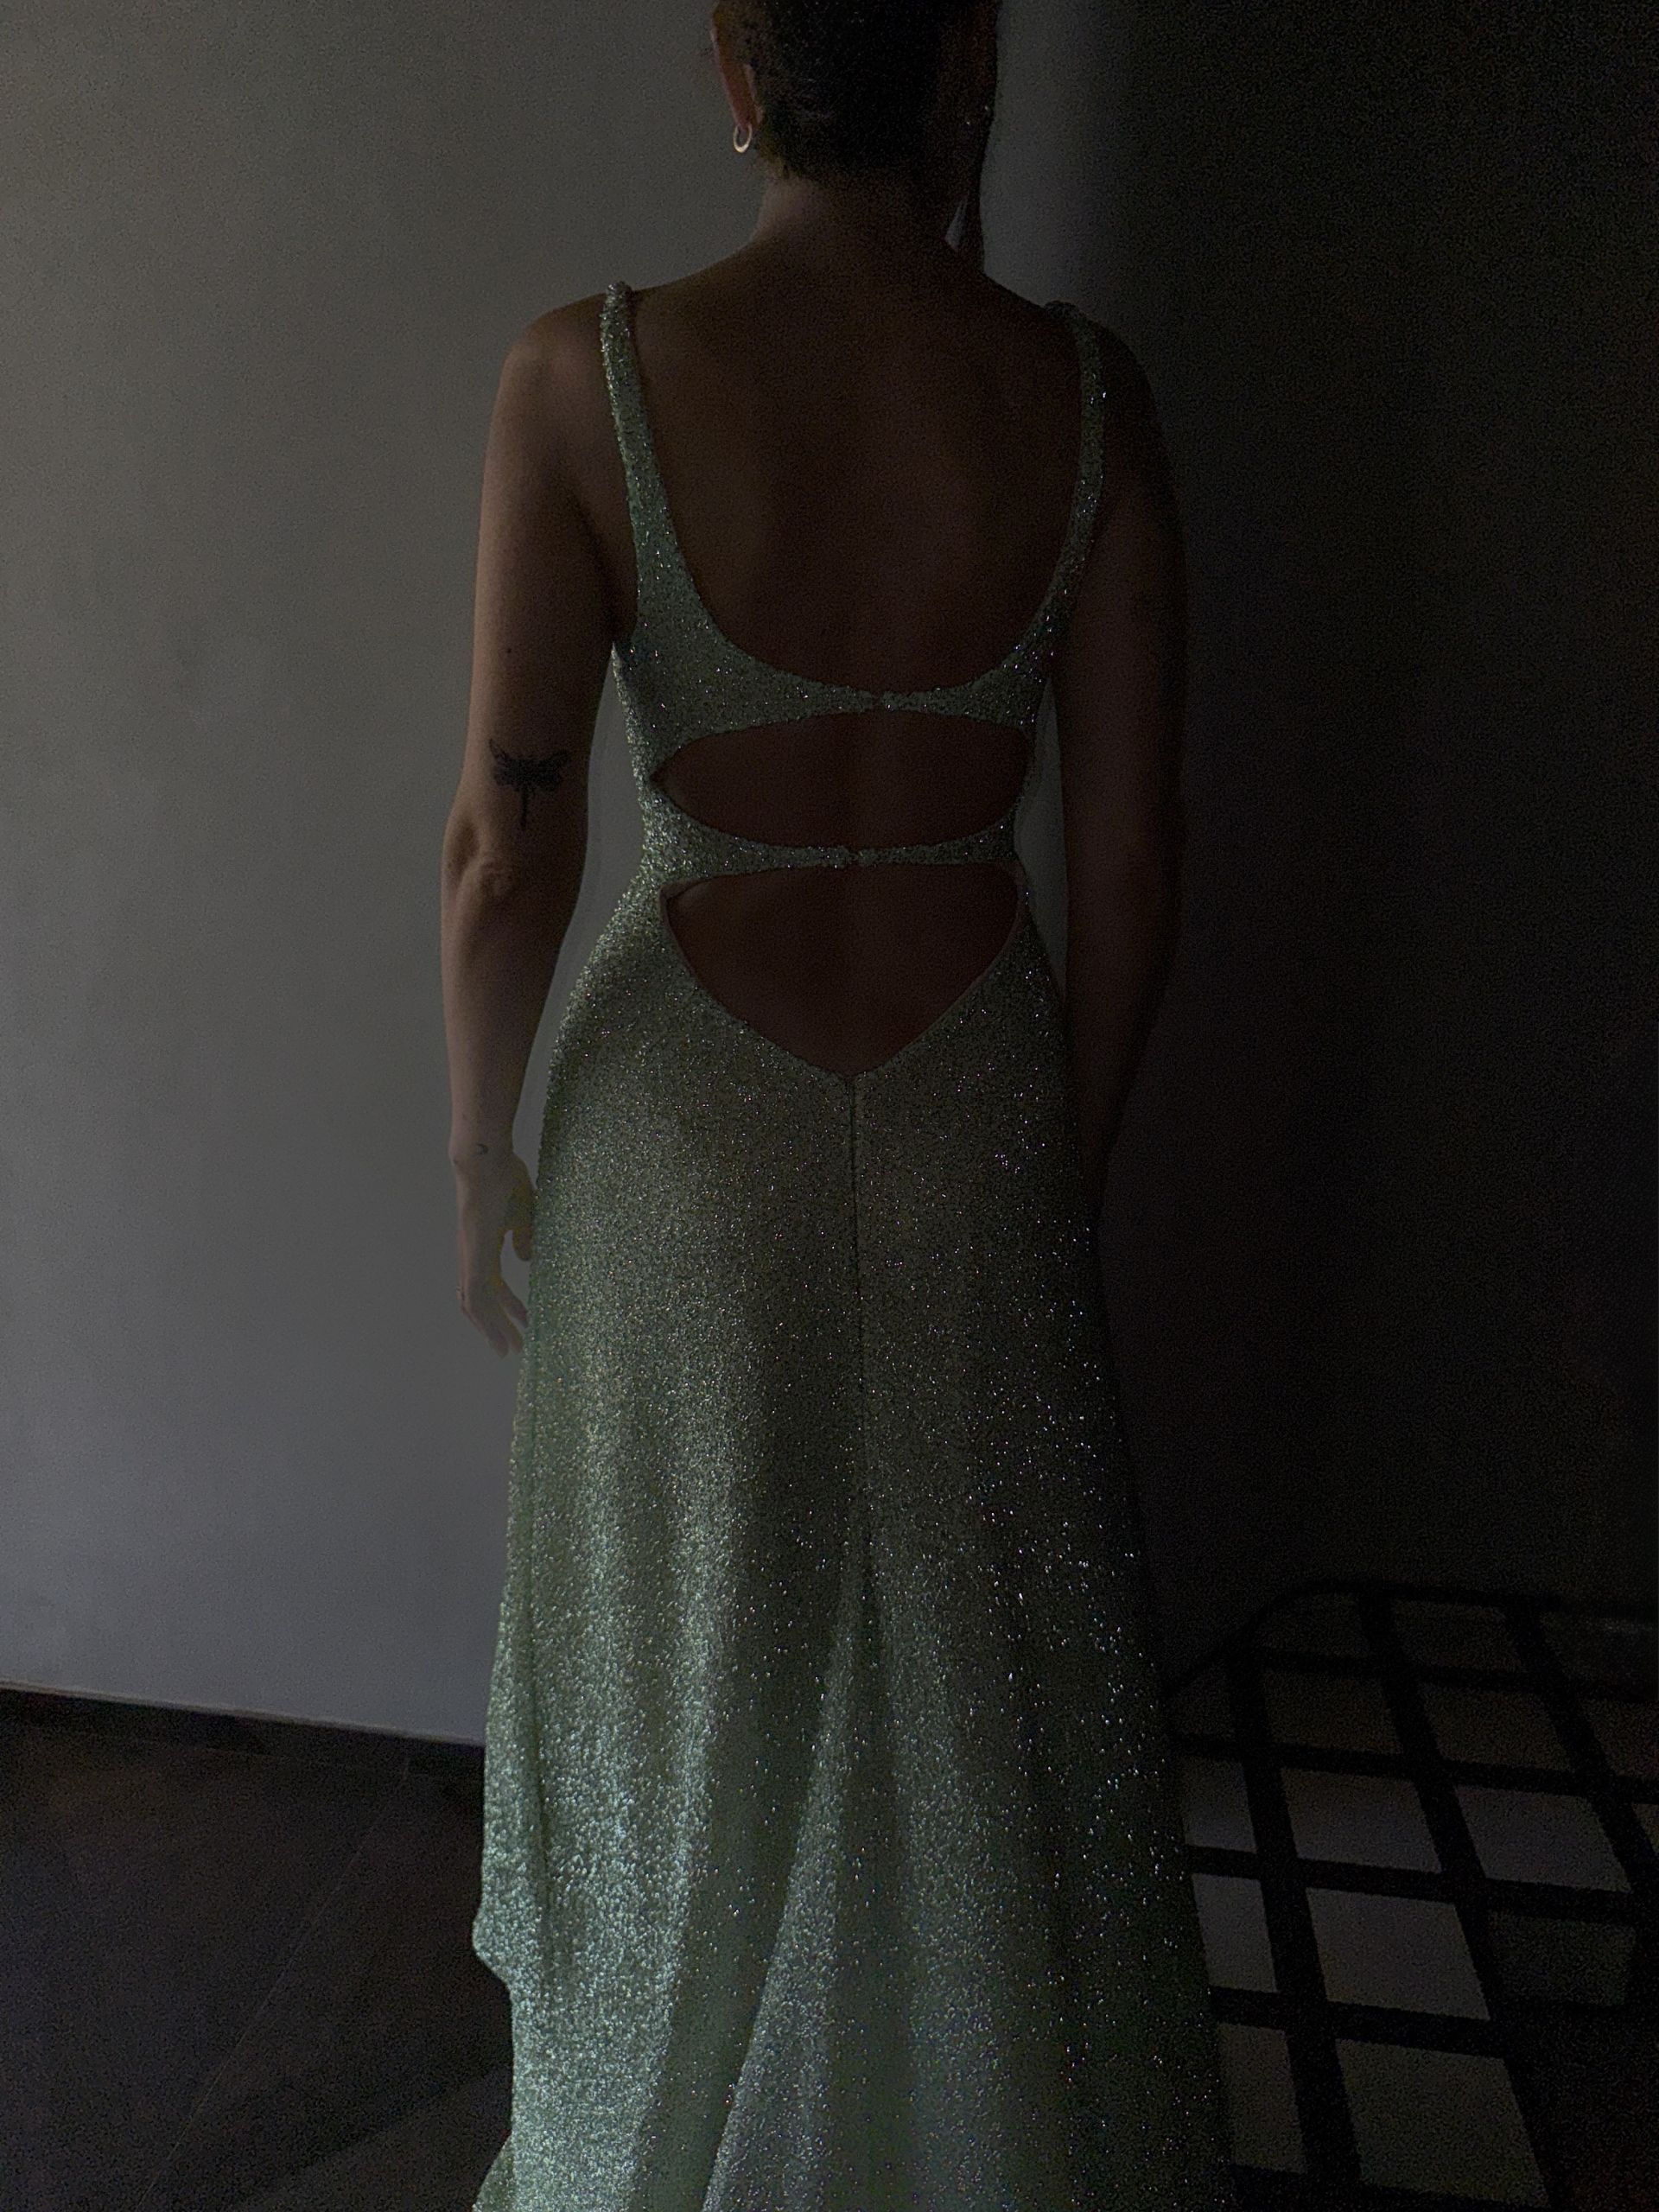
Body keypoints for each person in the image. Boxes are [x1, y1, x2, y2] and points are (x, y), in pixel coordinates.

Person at [440, 0, 1237, 2202]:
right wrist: (1055, 1159)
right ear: (968, 62)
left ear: (735, 71)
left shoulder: (582, 379)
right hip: (973, 1088)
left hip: (683, 1130)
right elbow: (1136, 864)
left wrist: (475, 1144)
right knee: (981, 1701)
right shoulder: (1088, 401)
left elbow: (507, 847)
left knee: (687, 1679)